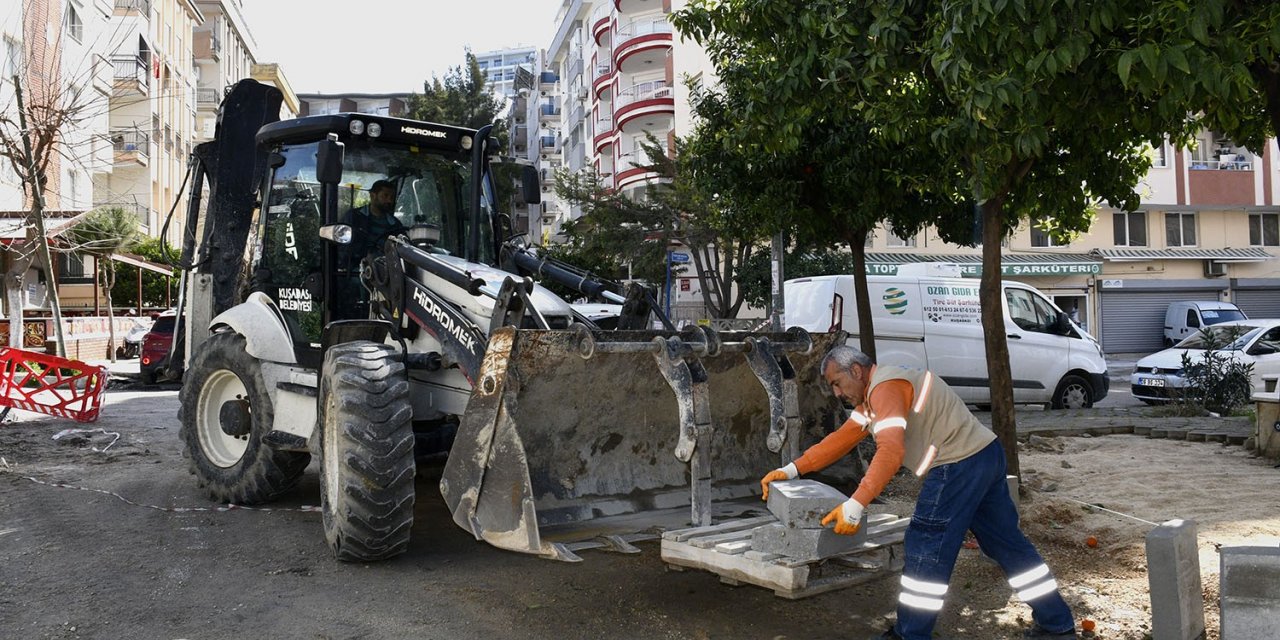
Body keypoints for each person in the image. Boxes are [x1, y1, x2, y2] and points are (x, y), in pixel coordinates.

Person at [760, 346, 1077, 640]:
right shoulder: (875, 397)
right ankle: (1057, 623)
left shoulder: (885, 389)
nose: (837, 393)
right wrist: (792, 470)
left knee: (926, 548)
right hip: (985, 454)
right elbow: (840, 440)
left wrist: (856, 504)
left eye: (837, 382)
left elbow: (890, 450)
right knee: (1007, 544)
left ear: (856, 370)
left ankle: (910, 634)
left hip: (958, 464)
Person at [342, 179, 406, 259]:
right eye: (385, 196)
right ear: (373, 196)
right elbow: (343, 246)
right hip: (355, 268)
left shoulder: (396, 225)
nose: (389, 200)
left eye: (392, 197)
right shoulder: (354, 217)